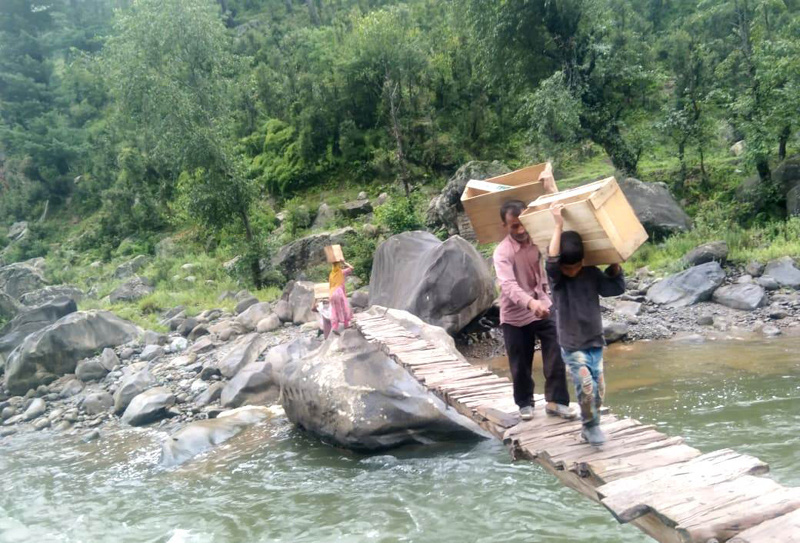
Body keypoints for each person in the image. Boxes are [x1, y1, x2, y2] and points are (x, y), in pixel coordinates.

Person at [493, 171, 576, 421]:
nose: (520, 230)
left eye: (522, 223)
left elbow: (564, 220)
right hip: (516, 313)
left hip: (543, 303)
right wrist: (530, 303)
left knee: (556, 349)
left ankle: (556, 401)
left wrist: (551, 186)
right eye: (514, 226)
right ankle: (525, 403)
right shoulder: (502, 252)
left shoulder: (538, 239)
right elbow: (507, 285)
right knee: (520, 362)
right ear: (505, 226)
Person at [545, 203, 625, 445]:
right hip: (571, 343)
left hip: (594, 339)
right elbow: (551, 260)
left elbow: (615, 288)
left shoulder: (590, 272)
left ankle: (592, 422)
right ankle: (589, 426)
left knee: (599, 389)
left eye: (577, 265)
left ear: (583, 261)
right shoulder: (557, 278)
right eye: (567, 267)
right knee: (586, 386)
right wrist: (558, 224)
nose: (573, 271)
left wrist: (615, 266)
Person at [329, 260, 354, 333]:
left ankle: (334, 327)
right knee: (344, 307)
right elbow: (351, 268)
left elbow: (330, 285)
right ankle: (346, 324)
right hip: (338, 291)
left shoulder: (331, 274)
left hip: (331, 293)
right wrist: (344, 262)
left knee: (334, 310)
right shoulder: (341, 272)